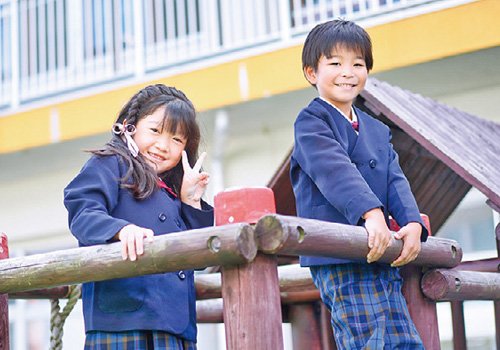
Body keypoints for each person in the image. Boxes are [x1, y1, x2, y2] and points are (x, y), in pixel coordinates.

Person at [290, 19, 429, 348]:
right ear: (312, 73)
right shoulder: (312, 121)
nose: (348, 72)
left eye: (358, 63)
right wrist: (371, 212)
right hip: (339, 254)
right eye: (335, 63)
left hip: (380, 254)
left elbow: (394, 178)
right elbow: (334, 170)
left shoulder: (376, 129)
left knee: (404, 341)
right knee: (366, 338)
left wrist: (411, 220)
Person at [64, 84, 213, 349]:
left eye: (177, 139)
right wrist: (120, 230)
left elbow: (198, 259)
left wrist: (190, 200)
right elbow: (82, 210)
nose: (163, 146)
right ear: (129, 125)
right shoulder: (110, 163)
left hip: (174, 326)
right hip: (122, 321)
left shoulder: (172, 191)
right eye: (155, 130)